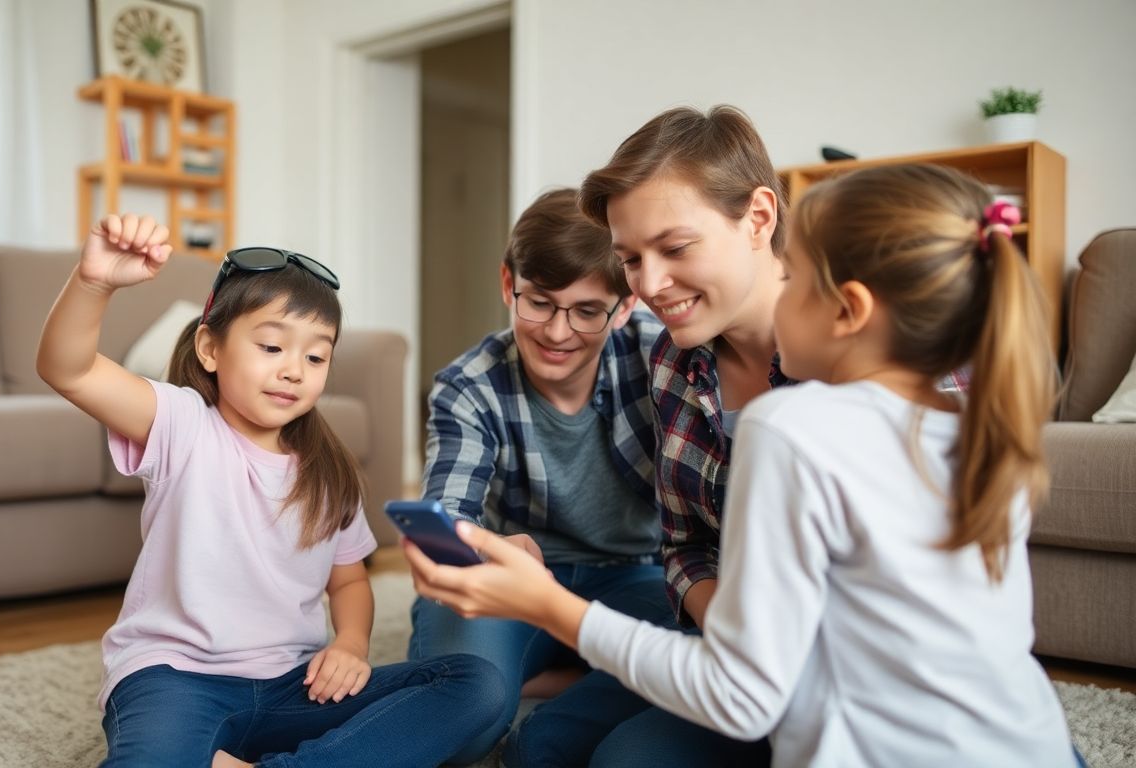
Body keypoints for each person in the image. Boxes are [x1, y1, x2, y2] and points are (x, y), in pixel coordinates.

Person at [406, 162, 1080, 767]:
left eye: (794, 282)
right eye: (636, 258)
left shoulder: (788, 425)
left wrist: (551, 607)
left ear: (848, 309)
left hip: (758, 678)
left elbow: (744, 692)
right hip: (1034, 741)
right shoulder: (989, 428)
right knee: (533, 733)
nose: (775, 298)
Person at [36, 214, 505, 768]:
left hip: (293, 687)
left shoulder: (330, 472)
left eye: (315, 356)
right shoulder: (183, 424)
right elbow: (68, 370)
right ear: (210, 350)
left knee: (475, 685)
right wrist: (95, 283)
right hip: (175, 680)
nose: (293, 371)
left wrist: (351, 644)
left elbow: (350, 578)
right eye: (271, 347)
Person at [408, 188, 677, 766]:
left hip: (636, 579)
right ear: (509, 285)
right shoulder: (466, 386)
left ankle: (543, 690)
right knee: (462, 724)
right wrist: (491, 548)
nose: (557, 333)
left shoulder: (665, 356)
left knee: (698, 644)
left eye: (586, 311)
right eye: (539, 303)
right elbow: (448, 521)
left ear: (625, 306)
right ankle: (547, 677)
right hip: (512, 577)